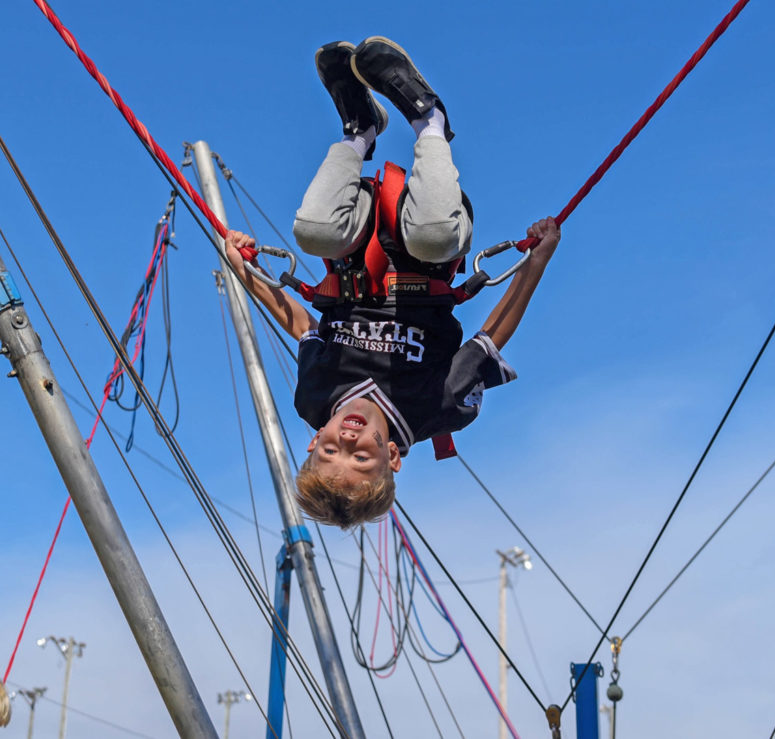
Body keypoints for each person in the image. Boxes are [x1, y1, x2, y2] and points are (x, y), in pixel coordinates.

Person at [225, 37, 561, 529]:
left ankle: (360, 130)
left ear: (315, 442)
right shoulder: (436, 406)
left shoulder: (315, 398)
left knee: (312, 232)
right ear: (393, 460)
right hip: (427, 239)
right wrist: (538, 261)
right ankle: (430, 122)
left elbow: (299, 324)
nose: (349, 440)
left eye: (332, 450)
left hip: (355, 247)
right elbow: (493, 334)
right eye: (360, 459)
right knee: (431, 235)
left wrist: (244, 270)